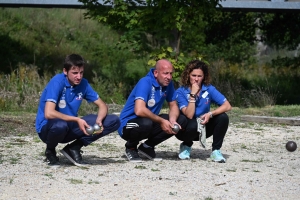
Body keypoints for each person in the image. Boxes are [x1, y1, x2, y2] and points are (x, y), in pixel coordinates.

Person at [35, 54, 120, 167]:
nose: (79, 77)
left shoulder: (83, 84)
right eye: (75, 73)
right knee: (60, 125)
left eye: (81, 73)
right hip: (49, 128)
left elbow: (102, 105)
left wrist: (99, 120)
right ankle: (50, 151)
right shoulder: (57, 82)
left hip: (70, 126)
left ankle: (74, 148)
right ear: (65, 71)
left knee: (113, 120)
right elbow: (49, 113)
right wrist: (77, 119)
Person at [118, 59, 187, 162]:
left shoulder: (168, 84)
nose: (169, 77)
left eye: (171, 74)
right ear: (156, 73)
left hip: (149, 122)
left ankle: (147, 147)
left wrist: (172, 120)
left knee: (181, 119)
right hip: (127, 124)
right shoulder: (145, 82)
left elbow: (173, 106)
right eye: (165, 73)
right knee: (147, 123)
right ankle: (131, 147)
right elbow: (139, 110)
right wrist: (161, 121)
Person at [175, 60, 231, 163]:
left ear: (204, 76)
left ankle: (216, 151)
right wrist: (192, 95)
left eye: (199, 76)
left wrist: (210, 114)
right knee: (192, 123)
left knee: (223, 117)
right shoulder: (180, 92)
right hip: (186, 128)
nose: (196, 79)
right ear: (188, 75)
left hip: (203, 126)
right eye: (193, 75)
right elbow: (189, 114)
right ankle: (186, 146)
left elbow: (227, 106)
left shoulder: (208, 89)